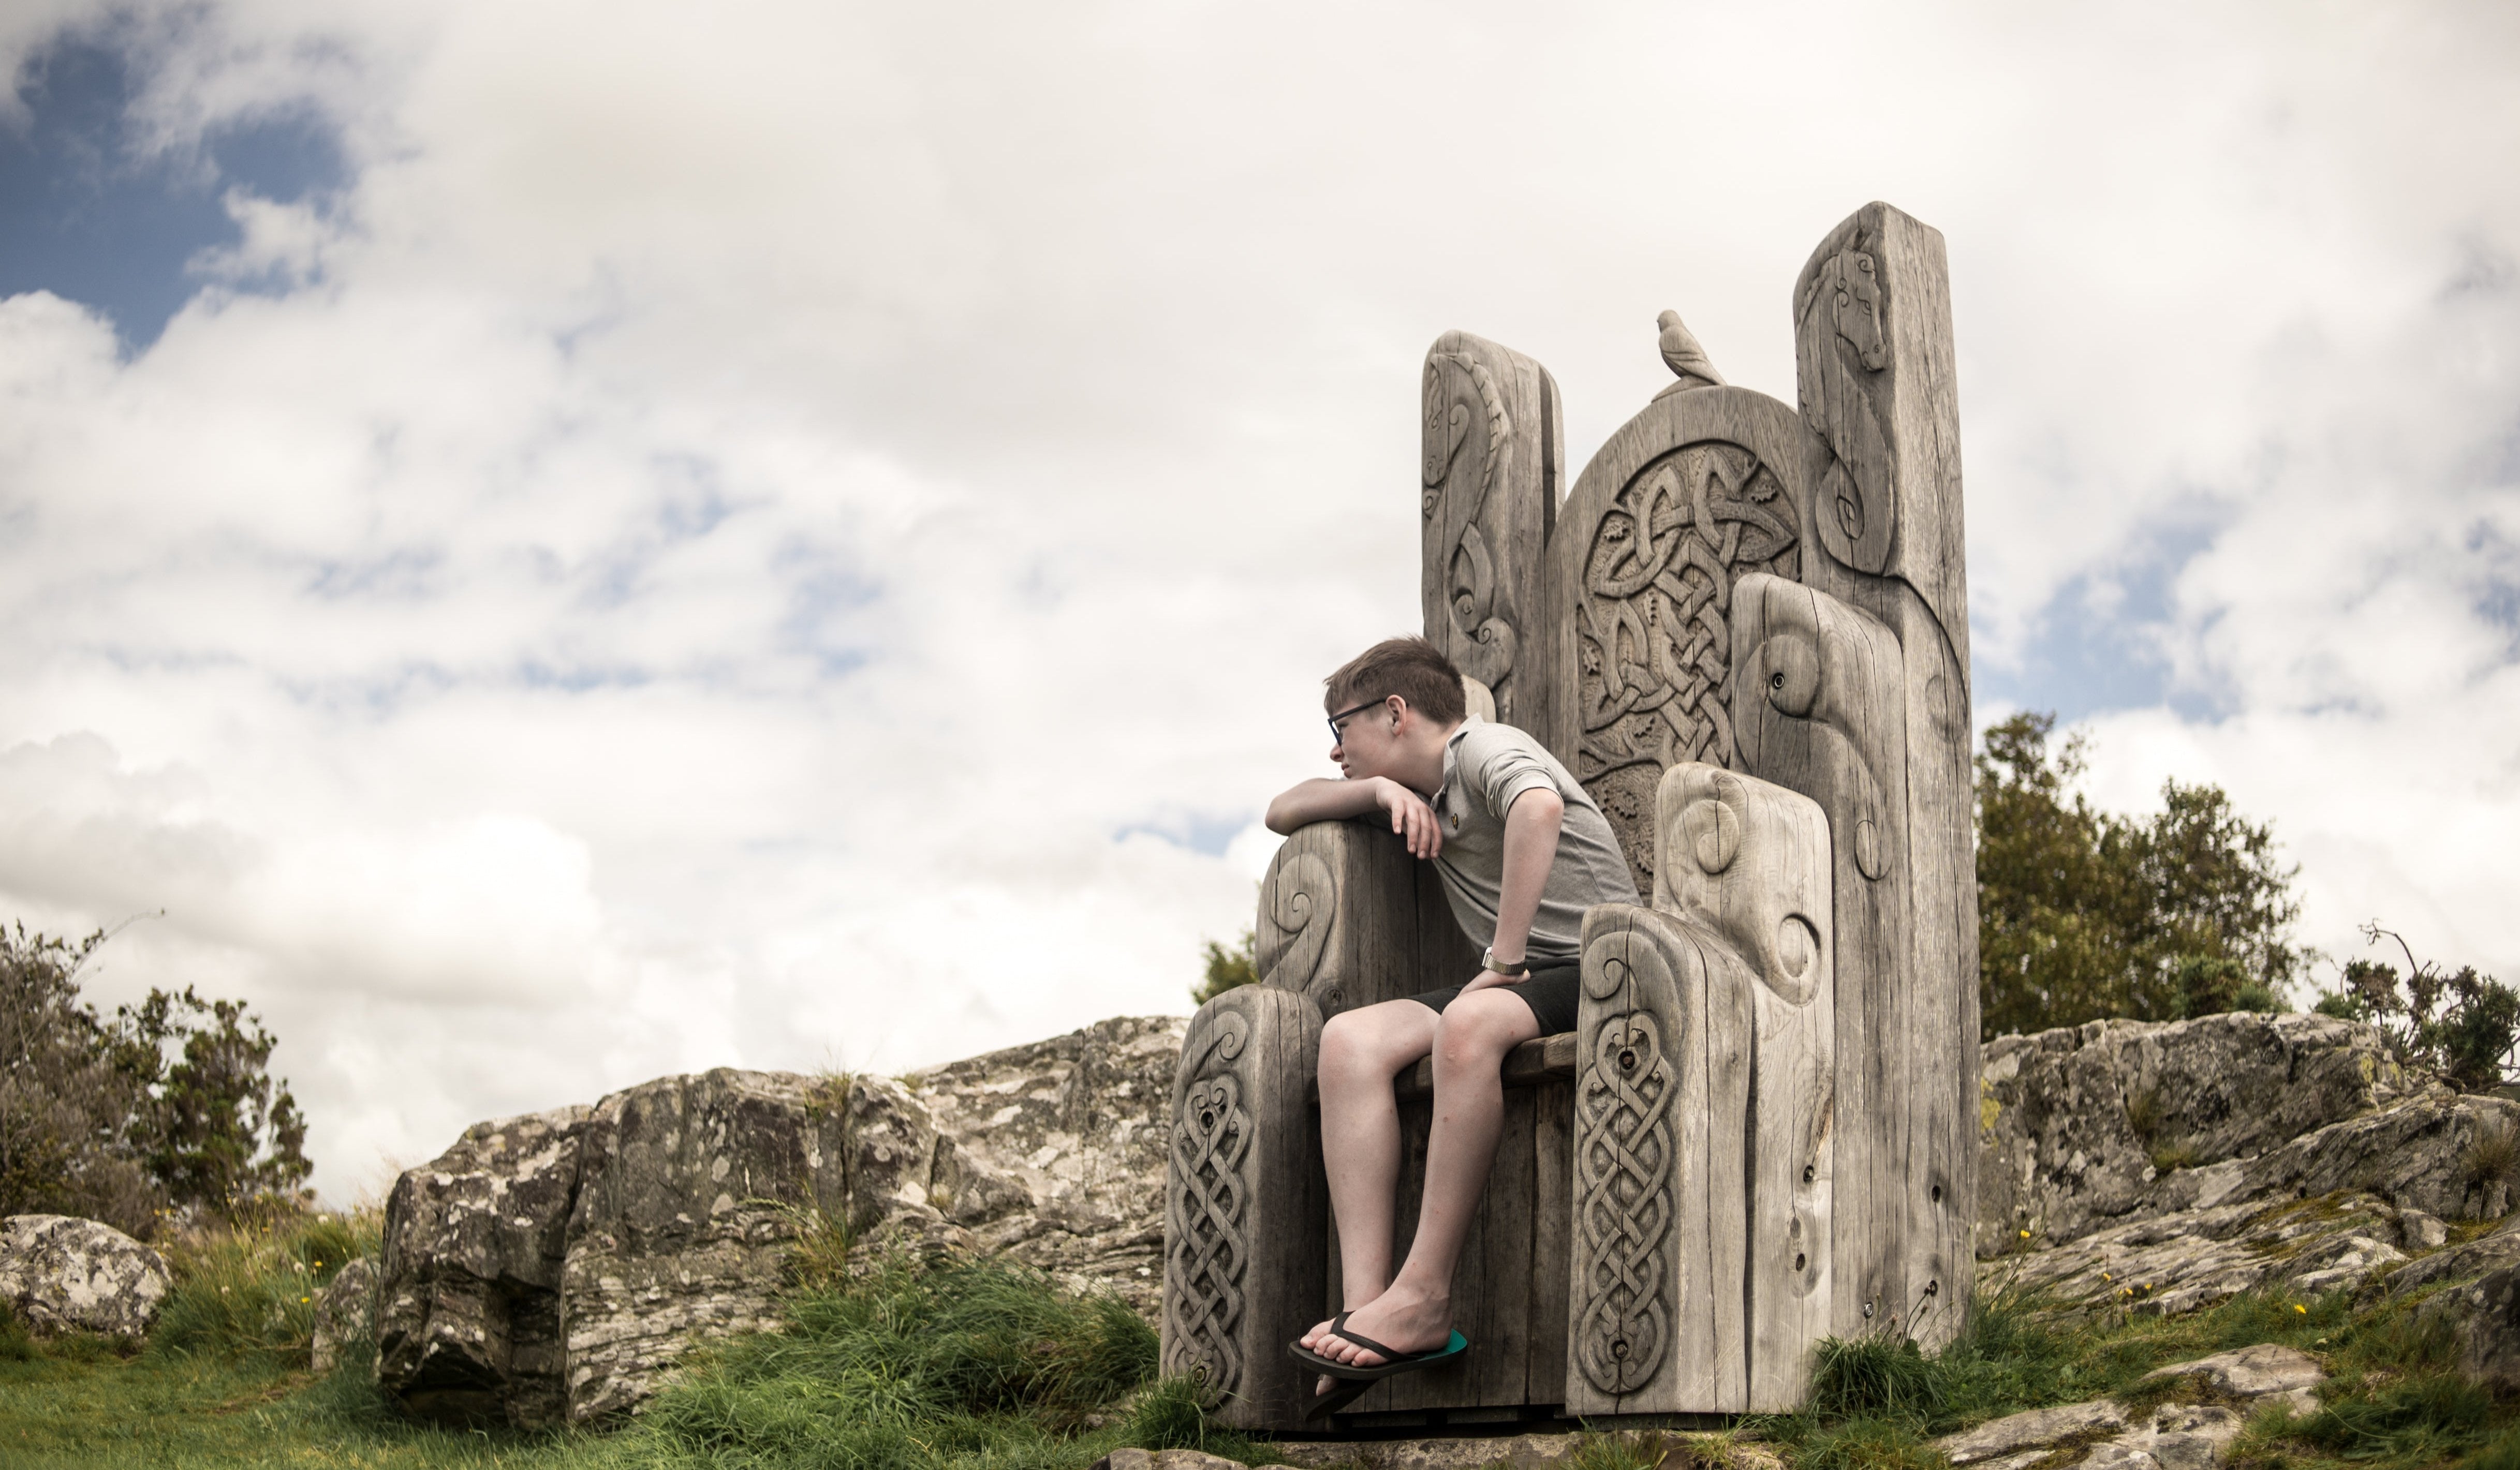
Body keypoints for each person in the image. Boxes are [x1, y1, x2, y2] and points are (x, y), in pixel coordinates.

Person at [1268, 636, 1639, 1414]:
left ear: (1395, 713)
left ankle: (1427, 1298)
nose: (1334, 748)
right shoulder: (1420, 790)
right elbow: (1282, 810)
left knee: (1467, 1023)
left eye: (1342, 729)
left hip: (1604, 965)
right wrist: (1375, 795)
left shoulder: (1482, 746)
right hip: (1517, 979)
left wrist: (1501, 960)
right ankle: (1370, 1302)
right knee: (1348, 1041)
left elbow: (1537, 806)